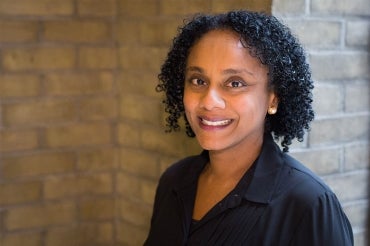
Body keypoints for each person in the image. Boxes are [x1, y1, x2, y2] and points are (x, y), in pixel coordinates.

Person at [144, 10, 353, 246]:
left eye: (235, 83)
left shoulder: (308, 204)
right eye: (198, 81)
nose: (209, 101)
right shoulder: (174, 181)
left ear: (273, 98)